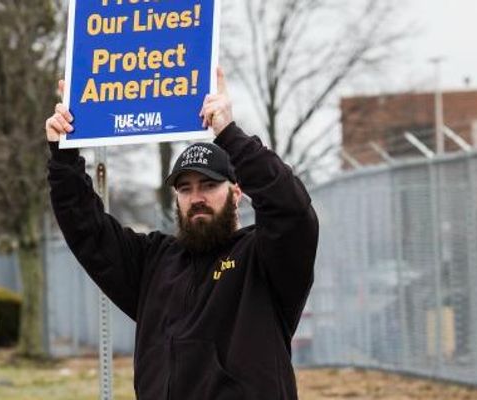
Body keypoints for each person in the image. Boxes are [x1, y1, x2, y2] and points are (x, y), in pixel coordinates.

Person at [43, 67, 319, 399]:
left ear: (235, 192)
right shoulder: (154, 263)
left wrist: (229, 134)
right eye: (185, 188)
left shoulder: (262, 259)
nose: (196, 197)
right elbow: (86, 230)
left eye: (209, 184)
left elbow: (290, 209)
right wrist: (64, 153)